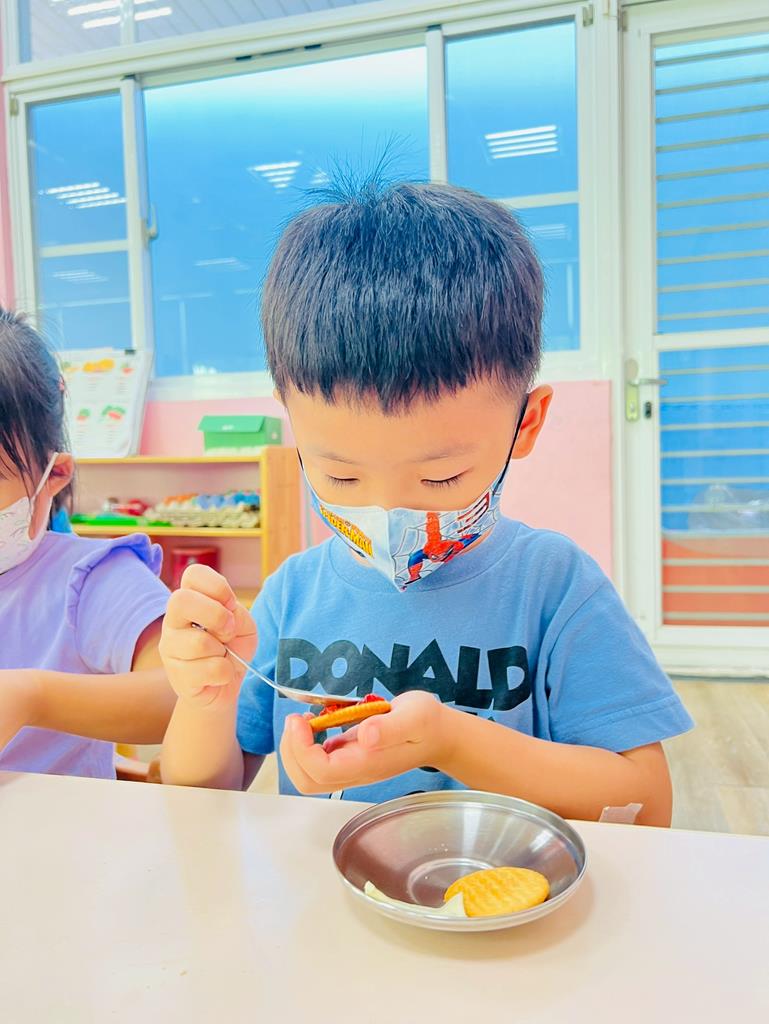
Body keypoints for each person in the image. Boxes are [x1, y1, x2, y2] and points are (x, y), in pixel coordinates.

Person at [159, 179, 692, 825]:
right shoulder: (292, 594)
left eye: (440, 479)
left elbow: (646, 806)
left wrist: (451, 742)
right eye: (340, 477)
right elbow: (200, 800)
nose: (389, 516)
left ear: (525, 424)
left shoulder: (555, 588)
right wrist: (205, 700)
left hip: (501, 883)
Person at [0, 309, 175, 777]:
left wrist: (33, 697)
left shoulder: (92, 577)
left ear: (53, 475)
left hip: (58, 821)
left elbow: (177, 692)